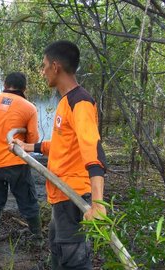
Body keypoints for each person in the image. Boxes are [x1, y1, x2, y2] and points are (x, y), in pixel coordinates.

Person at [13, 40, 107, 269]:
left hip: (73, 196)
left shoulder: (80, 102)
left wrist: (98, 204)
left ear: (56, 67)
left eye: (44, 66)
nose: (42, 71)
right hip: (61, 197)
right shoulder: (66, 101)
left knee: (74, 262)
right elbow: (64, 144)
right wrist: (31, 147)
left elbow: (93, 150)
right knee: (58, 254)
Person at [0, 71, 43, 256]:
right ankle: (37, 240)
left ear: (5, 83)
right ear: (24, 88)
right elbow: (33, 140)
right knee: (28, 201)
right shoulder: (29, 107)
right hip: (17, 162)